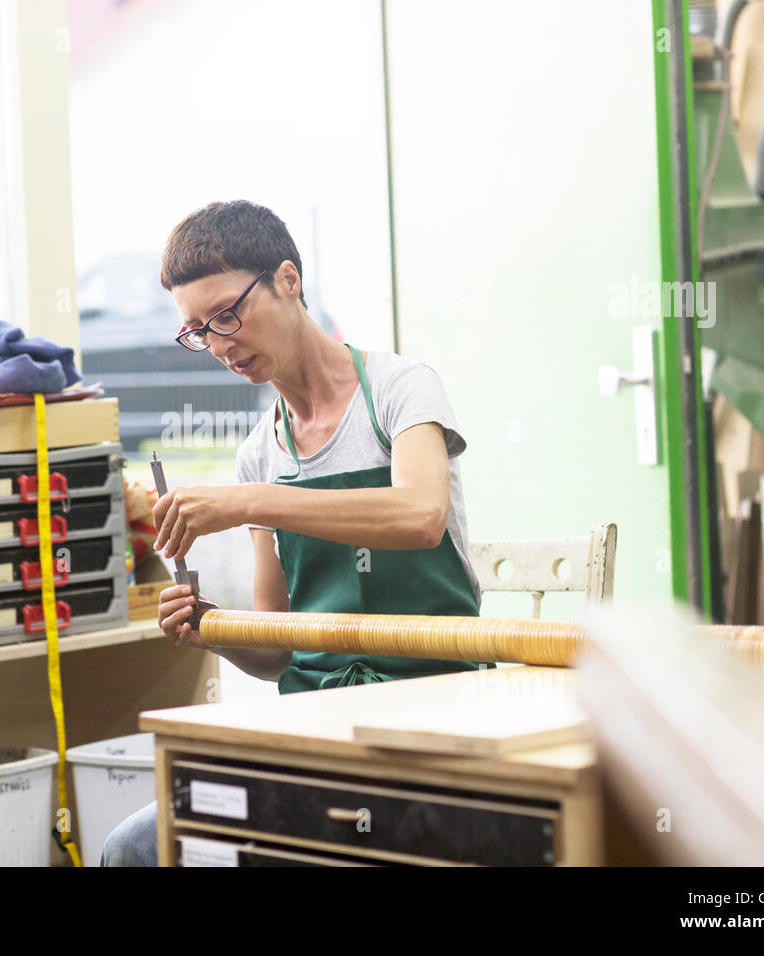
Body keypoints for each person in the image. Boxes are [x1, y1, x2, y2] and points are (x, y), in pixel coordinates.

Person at [100, 200, 482, 866]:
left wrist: (254, 502)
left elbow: (420, 516)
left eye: (227, 314)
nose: (218, 345)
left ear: (288, 280)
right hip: (314, 726)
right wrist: (215, 628)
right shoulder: (261, 452)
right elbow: (278, 653)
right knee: (132, 847)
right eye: (197, 331)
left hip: (431, 713)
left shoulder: (401, 391)